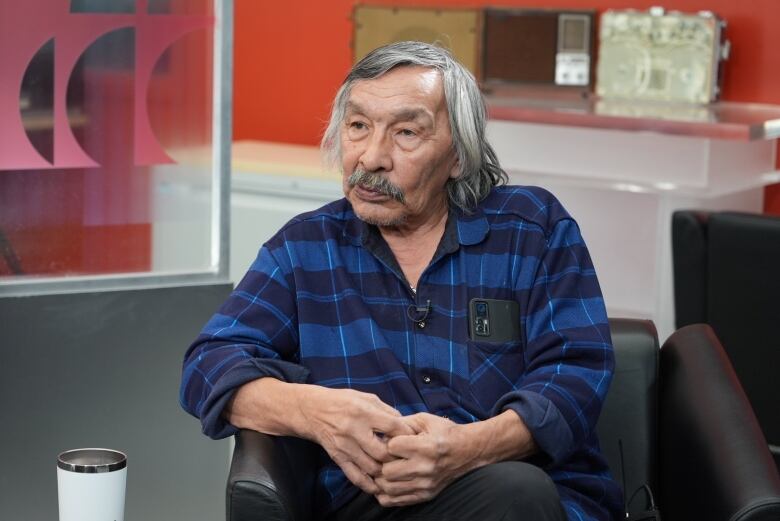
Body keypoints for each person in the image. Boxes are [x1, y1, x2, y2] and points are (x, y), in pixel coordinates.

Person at [180, 41, 623, 521]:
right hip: (370, 504)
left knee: (514, 491)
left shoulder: (531, 229)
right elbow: (208, 364)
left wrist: (469, 448)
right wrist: (313, 410)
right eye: (357, 127)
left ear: (458, 155)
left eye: (406, 132)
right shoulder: (305, 248)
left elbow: (576, 370)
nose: (371, 158)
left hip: (530, 495)